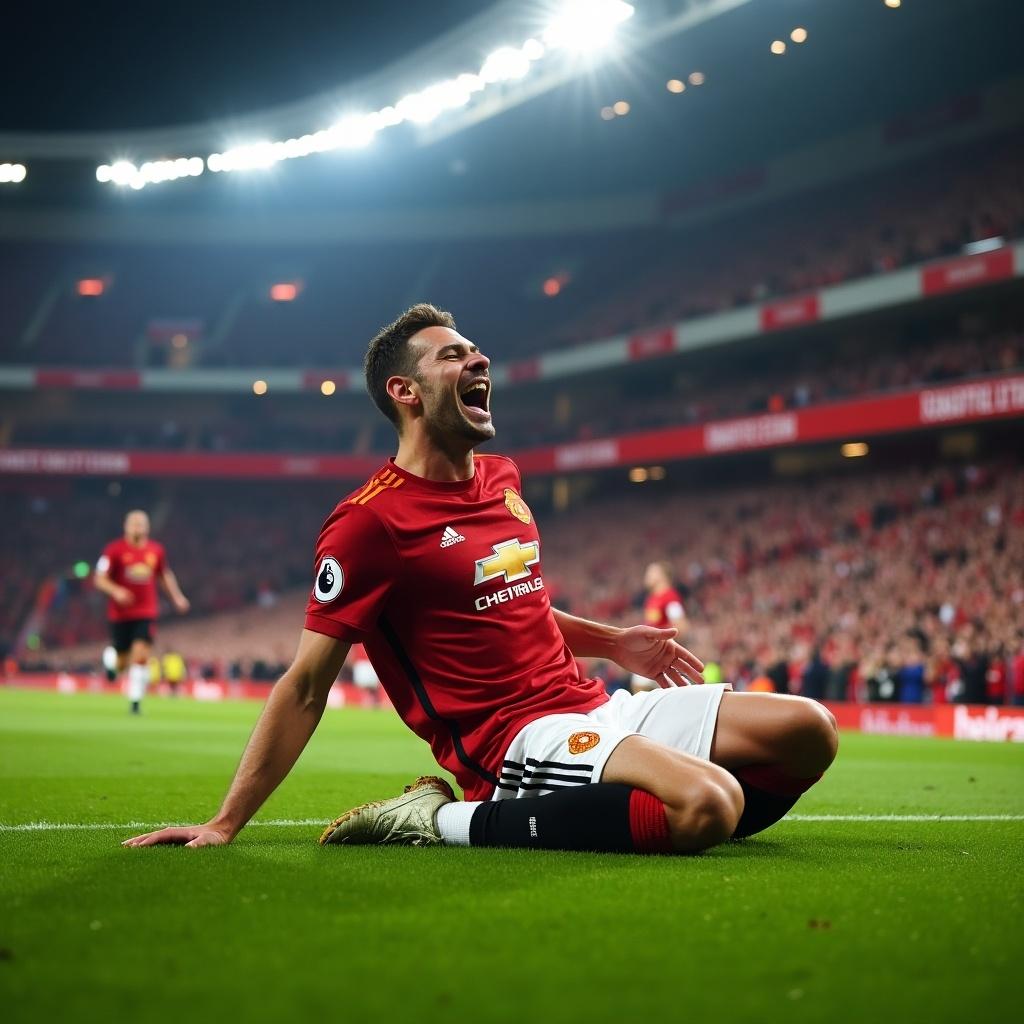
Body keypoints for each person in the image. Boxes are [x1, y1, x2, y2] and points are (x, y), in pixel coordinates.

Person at [125, 305, 837, 855]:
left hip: (593, 706)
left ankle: (636, 808)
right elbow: (307, 685)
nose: (478, 357)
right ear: (404, 390)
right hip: (514, 743)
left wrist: (614, 643)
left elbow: (512, 605)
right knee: (708, 805)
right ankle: (444, 819)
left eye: (475, 350)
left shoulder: (503, 480)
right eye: (453, 354)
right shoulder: (369, 525)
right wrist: (225, 822)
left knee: (812, 730)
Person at [93, 510, 190, 714]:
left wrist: (177, 597)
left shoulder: (156, 551)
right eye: (134, 524)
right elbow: (99, 578)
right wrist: (116, 590)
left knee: (141, 654)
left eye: (141, 524)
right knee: (121, 661)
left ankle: (135, 703)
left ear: (147, 527)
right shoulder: (114, 550)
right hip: (120, 614)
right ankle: (110, 658)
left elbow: (164, 575)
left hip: (146, 611)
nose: (137, 528)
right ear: (126, 526)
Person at [631, 561, 688, 693]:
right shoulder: (652, 599)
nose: (647, 576)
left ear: (662, 576)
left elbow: (681, 625)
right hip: (652, 653)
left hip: (661, 654)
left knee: (641, 687)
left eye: (651, 572)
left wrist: (661, 643)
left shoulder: (670, 597)